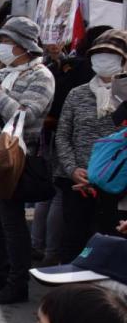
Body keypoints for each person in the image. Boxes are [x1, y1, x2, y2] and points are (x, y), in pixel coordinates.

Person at [0, 16, 55, 305]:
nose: (1, 46)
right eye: (1, 40)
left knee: (11, 224)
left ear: (24, 45)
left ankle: (17, 283)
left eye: (7, 41)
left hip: (9, 163)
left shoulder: (41, 76)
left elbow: (25, 115)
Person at [52, 29, 127, 262]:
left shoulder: (124, 96)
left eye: (111, 55)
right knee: (73, 240)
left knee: (109, 244)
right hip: (77, 181)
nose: (103, 59)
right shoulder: (77, 94)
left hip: (116, 185)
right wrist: (73, 169)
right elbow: (63, 135)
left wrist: (99, 177)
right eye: (98, 54)